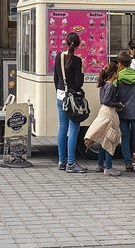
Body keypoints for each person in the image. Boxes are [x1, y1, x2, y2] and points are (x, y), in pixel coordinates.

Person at [53, 32, 88, 173]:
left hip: (60, 95)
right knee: (74, 129)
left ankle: (62, 161)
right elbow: (78, 83)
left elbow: (56, 78)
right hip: (72, 98)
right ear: (78, 45)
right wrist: (83, 71)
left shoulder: (59, 56)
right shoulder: (77, 60)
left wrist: (60, 92)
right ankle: (71, 163)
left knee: (62, 128)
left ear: (66, 43)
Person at [85, 62, 124, 176]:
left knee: (103, 139)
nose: (118, 73)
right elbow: (107, 100)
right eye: (117, 71)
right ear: (114, 74)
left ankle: (100, 164)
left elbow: (104, 100)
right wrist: (118, 105)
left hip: (103, 111)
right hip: (109, 113)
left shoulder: (104, 84)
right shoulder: (110, 85)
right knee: (110, 139)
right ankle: (108, 167)